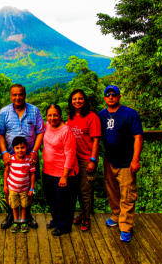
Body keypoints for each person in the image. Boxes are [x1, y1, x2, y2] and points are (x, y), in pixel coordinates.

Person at [0, 84, 45, 229]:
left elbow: (40, 132)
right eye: (14, 95)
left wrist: (35, 151)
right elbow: (0, 134)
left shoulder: (34, 111)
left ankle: (27, 215)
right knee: (11, 186)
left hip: (30, 157)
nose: (17, 97)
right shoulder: (4, 112)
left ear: (25, 94)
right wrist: (4, 152)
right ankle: (11, 214)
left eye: (20, 94)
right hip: (11, 157)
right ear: (10, 96)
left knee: (29, 186)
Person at [98, 85, 143, 243]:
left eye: (114, 94)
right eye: (107, 95)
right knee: (112, 190)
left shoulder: (130, 114)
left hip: (126, 161)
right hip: (109, 159)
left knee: (127, 194)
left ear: (119, 96)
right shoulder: (101, 115)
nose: (110, 97)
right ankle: (116, 215)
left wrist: (135, 159)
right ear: (104, 97)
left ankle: (125, 226)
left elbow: (138, 137)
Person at [67, 89, 101, 232]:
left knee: (85, 191)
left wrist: (92, 160)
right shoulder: (71, 116)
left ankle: (86, 219)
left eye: (80, 98)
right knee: (76, 190)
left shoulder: (92, 117)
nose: (77, 101)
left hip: (86, 160)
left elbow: (96, 140)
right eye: (74, 99)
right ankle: (82, 214)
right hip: (73, 159)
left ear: (85, 100)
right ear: (71, 101)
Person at [43, 104, 79, 236]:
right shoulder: (47, 125)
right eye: (50, 115)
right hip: (47, 170)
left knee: (63, 201)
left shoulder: (66, 131)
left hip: (62, 172)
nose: (52, 118)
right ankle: (57, 219)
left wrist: (65, 175)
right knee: (51, 198)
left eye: (55, 115)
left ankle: (64, 225)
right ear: (46, 116)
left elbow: (71, 154)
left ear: (60, 116)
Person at [3, 136, 36, 233]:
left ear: (26, 147)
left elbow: (32, 174)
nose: (20, 150)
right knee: (14, 205)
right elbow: (6, 172)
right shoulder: (11, 159)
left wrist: (32, 188)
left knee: (24, 205)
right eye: (17, 148)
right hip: (12, 188)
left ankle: (23, 221)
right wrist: (5, 185)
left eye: (22, 147)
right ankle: (16, 221)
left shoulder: (29, 160)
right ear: (13, 149)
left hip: (25, 189)